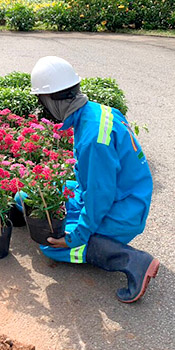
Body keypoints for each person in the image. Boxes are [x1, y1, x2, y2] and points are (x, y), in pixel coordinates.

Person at [16, 56, 159, 303]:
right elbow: (96, 183)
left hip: (121, 210)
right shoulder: (95, 112)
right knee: (28, 196)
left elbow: (99, 197)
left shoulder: (94, 138)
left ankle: (132, 260)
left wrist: (75, 237)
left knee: (51, 246)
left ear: (51, 99)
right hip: (113, 194)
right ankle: (87, 236)